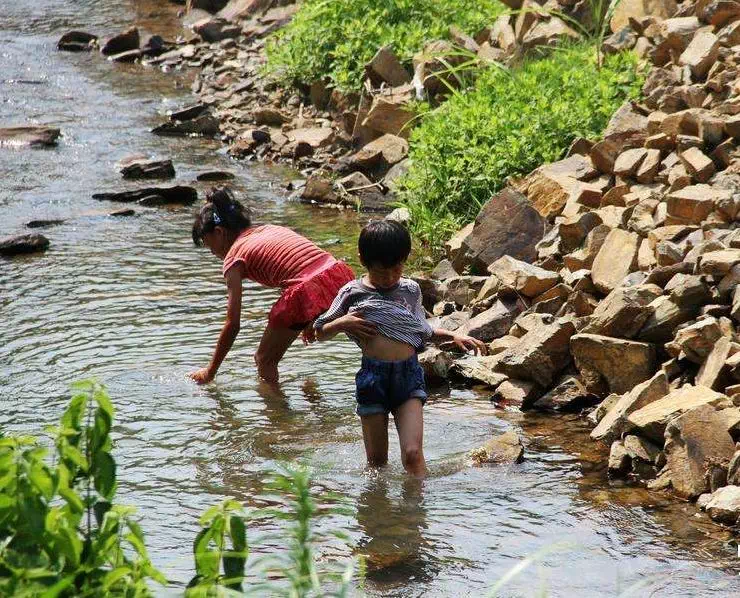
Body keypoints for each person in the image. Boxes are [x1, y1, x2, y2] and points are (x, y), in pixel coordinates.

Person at [313, 220, 486, 476]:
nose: (390, 278)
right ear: (363, 261)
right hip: (373, 379)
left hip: (408, 376)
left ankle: (417, 513)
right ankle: (381, 515)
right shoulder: (352, 292)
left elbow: (418, 330)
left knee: (413, 455)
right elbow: (319, 332)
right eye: (382, 273)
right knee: (377, 465)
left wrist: (453, 335)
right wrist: (342, 322)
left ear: (405, 260)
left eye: (397, 269)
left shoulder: (410, 290)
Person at [189, 187, 354, 385]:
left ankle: (278, 414)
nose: (212, 253)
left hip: (307, 288)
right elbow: (308, 270)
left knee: (264, 359)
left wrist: (210, 371)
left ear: (219, 232)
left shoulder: (234, 257)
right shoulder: (267, 229)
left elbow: (233, 324)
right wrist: (309, 319)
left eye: (209, 245)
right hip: (337, 274)